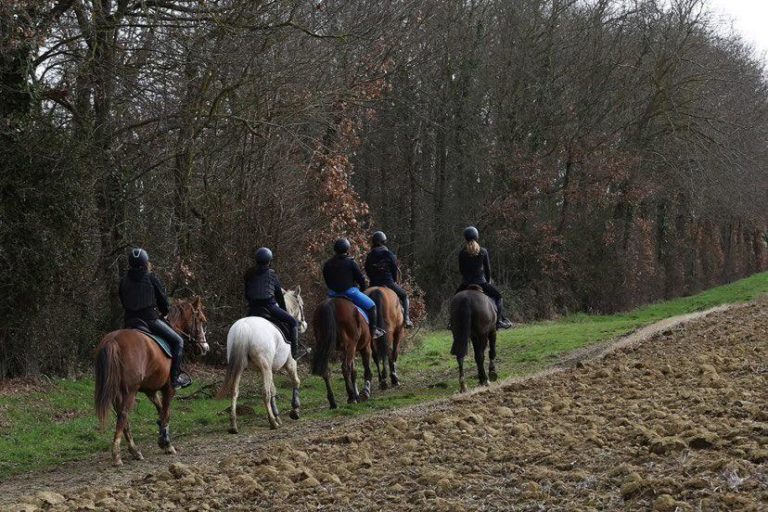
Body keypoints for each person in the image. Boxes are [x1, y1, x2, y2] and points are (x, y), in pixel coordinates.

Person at [119, 248, 190, 389]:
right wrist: (164, 312)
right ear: (146, 263)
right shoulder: (151, 278)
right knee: (179, 341)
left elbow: (122, 300)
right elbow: (163, 302)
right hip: (150, 321)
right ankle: (175, 380)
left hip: (129, 321)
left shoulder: (123, 281)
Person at [244, 247, 305, 359]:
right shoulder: (272, 274)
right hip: (269, 306)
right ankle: (295, 352)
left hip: (253, 308)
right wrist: (283, 310)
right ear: (269, 261)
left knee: (242, 326)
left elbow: (247, 293)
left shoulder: (249, 273)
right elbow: (279, 296)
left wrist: (251, 304)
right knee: (292, 322)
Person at [323, 238, 386, 339]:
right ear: (347, 249)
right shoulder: (351, 262)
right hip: (349, 292)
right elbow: (361, 279)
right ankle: (373, 331)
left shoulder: (327, 264)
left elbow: (327, 280)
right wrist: (362, 289)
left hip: (332, 294)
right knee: (372, 306)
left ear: (335, 249)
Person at [456, 227, 513, 329]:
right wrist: (487, 282)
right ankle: (498, 321)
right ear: (477, 237)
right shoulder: (483, 251)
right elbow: (488, 270)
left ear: (465, 238)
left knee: (455, 299)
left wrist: (466, 279)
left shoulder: (461, 253)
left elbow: (461, 270)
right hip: (481, 282)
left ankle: (451, 323)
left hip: (465, 283)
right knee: (498, 297)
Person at [364, 231, 414, 328]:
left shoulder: (370, 255)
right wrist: (394, 280)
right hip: (388, 282)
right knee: (404, 296)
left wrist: (372, 279)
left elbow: (368, 270)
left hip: (373, 284)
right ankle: (407, 319)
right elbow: (394, 269)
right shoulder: (389, 254)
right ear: (384, 241)